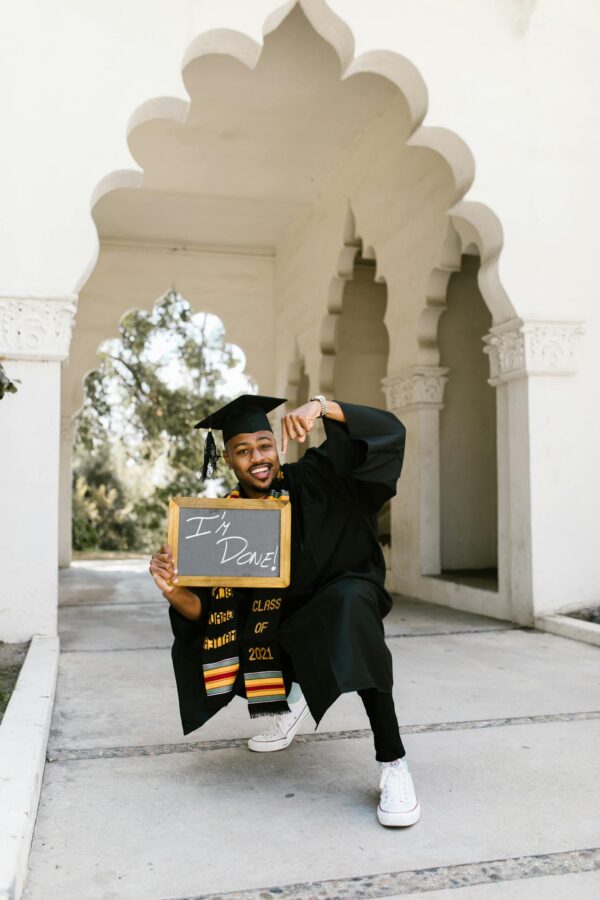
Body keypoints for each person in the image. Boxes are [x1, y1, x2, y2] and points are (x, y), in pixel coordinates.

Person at [149, 394, 420, 827]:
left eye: (263, 445)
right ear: (229, 459)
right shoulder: (227, 519)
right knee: (250, 627)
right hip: (285, 628)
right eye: (243, 450)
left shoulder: (320, 473)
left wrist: (322, 406)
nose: (257, 458)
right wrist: (171, 589)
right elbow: (207, 612)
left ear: (276, 445)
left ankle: (394, 764)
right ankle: (294, 700)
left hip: (346, 596)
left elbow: (388, 432)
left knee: (349, 612)